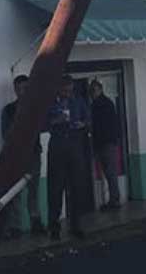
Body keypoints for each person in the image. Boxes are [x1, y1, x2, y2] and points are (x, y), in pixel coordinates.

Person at [46, 75, 91, 240]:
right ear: (59, 88)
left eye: (70, 89)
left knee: (76, 187)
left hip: (75, 145)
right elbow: (43, 123)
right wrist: (56, 121)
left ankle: (76, 225)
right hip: (57, 146)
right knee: (55, 189)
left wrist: (83, 124)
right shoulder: (51, 102)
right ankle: (54, 226)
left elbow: (88, 118)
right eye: (65, 89)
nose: (67, 92)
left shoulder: (78, 102)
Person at [0, 75, 46, 237]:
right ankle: (16, 227)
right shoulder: (9, 110)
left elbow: (43, 126)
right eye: (19, 89)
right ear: (15, 90)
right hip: (16, 156)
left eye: (25, 88)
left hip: (33, 154)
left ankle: (35, 221)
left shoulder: (35, 108)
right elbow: (5, 134)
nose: (22, 92)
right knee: (15, 192)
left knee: (33, 190)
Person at [90, 79, 122, 211]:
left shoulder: (101, 105)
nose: (92, 93)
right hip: (106, 142)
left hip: (106, 143)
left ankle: (114, 200)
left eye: (94, 90)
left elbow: (102, 125)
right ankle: (113, 200)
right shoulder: (106, 103)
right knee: (109, 172)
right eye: (92, 91)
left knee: (109, 172)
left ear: (100, 89)